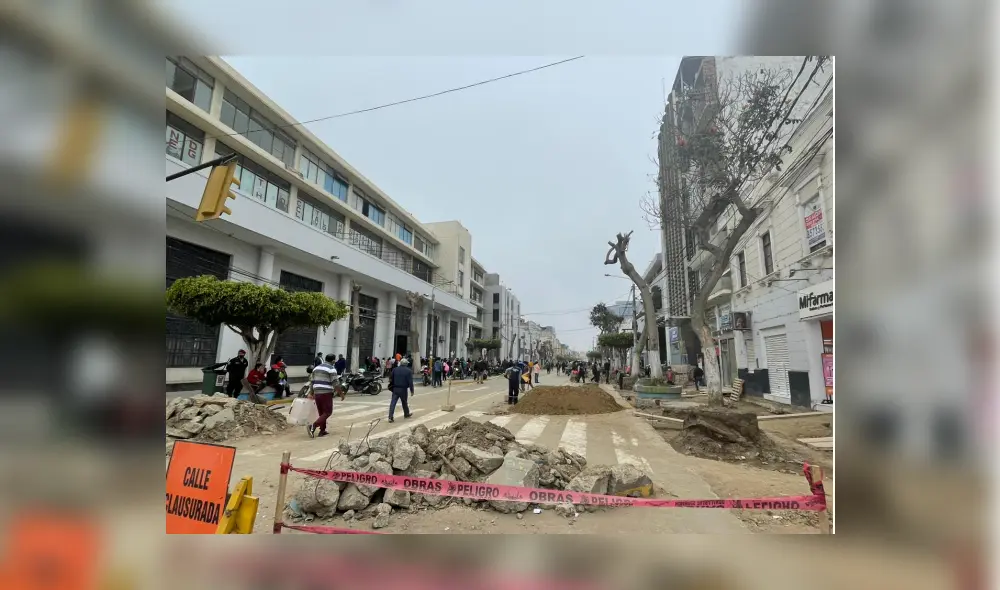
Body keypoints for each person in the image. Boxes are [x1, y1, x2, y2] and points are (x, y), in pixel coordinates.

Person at [307, 354, 344, 438]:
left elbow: (312, 382)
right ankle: (313, 426)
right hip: (326, 392)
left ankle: (322, 430)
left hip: (317, 392)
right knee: (327, 412)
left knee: (322, 413)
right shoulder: (331, 369)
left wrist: (311, 393)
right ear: (333, 361)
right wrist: (341, 394)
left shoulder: (316, 368)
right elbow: (335, 383)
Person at [387, 358, 415, 423]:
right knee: (404, 402)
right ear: (406, 364)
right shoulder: (408, 371)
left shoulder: (395, 369)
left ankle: (390, 417)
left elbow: (390, 378)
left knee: (393, 403)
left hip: (395, 388)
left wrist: (392, 385)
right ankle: (406, 414)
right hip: (403, 389)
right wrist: (412, 391)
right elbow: (410, 382)